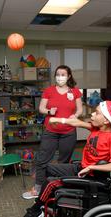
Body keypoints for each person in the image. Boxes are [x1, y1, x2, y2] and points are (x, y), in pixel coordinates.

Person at [24, 100, 111, 217]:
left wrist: (91, 167)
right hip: (81, 167)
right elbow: (76, 122)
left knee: (51, 183)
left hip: (89, 175)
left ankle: (36, 210)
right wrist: (57, 119)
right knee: (49, 168)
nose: (92, 114)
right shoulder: (96, 129)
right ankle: (48, 203)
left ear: (106, 120)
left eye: (96, 113)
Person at [23, 65, 83, 199]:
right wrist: (50, 111)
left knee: (64, 161)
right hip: (50, 131)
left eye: (63, 74)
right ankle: (38, 188)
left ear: (68, 77)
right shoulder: (49, 91)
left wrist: (76, 115)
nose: (60, 77)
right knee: (42, 159)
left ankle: (60, 187)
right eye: (58, 74)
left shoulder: (75, 92)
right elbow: (41, 108)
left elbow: (80, 109)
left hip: (69, 132)